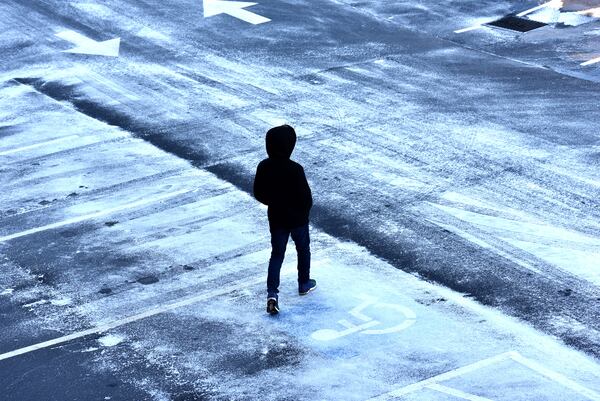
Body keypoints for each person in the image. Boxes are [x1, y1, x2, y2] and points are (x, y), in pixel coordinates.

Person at [253, 124, 316, 315]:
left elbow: (259, 193)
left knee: (277, 255)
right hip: (297, 219)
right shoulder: (295, 169)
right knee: (303, 249)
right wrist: (302, 212)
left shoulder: (264, 166)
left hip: (277, 218)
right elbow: (306, 198)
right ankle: (303, 282)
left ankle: (272, 293)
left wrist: (274, 202)